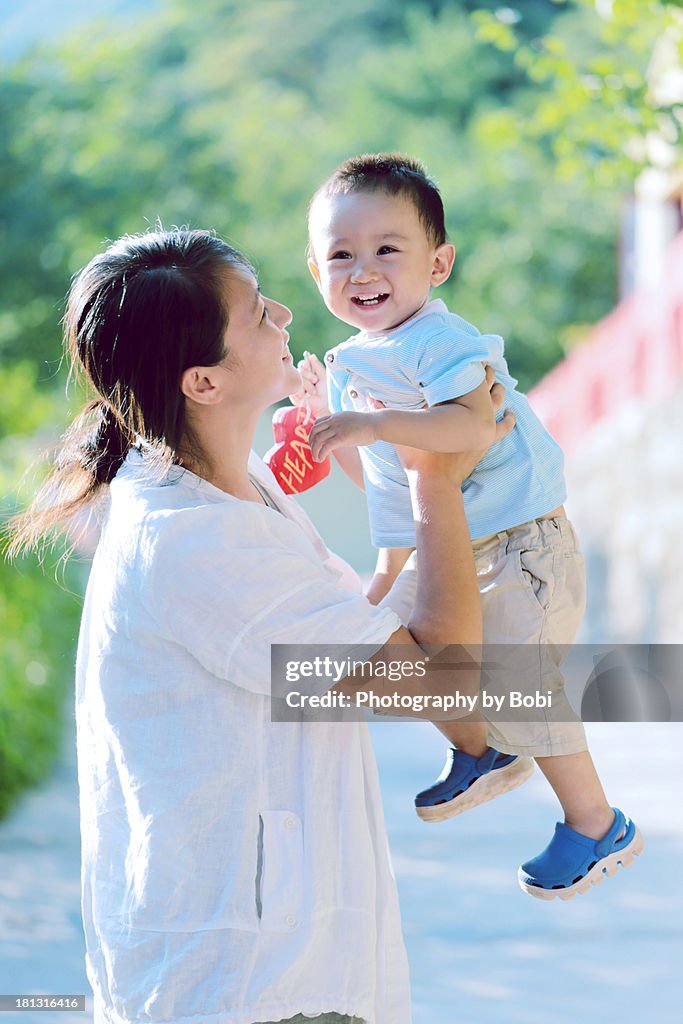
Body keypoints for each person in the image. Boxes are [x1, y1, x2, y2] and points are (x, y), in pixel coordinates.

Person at [7, 228, 514, 1024]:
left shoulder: (230, 495)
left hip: (273, 964)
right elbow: (435, 679)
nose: (283, 311)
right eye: (253, 313)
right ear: (203, 381)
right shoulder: (196, 540)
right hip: (246, 983)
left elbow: (377, 636)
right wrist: (433, 475)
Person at [295, 153, 643, 901]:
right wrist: (336, 431)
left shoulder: (438, 341)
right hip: (442, 544)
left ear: (438, 262)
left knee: (523, 685)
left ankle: (595, 821)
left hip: (520, 543)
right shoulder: (353, 365)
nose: (363, 270)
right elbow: (394, 479)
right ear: (315, 270)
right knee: (387, 658)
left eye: (388, 249)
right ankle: (480, 750)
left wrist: (367, 419)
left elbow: (468, 426)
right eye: (340, 255)